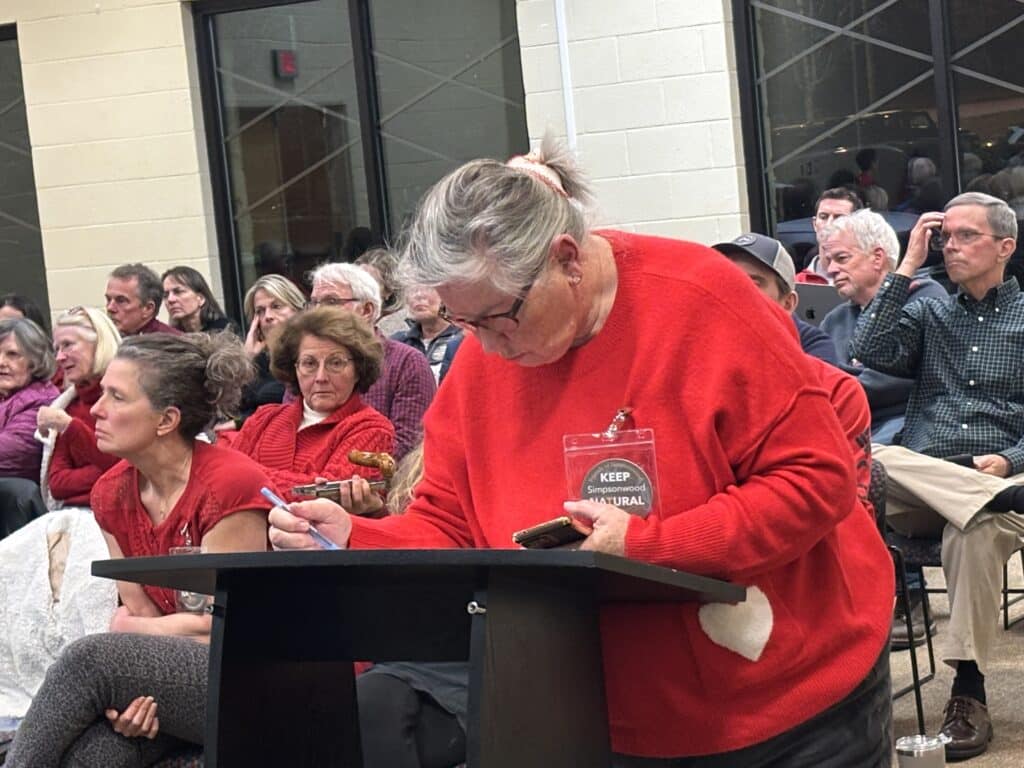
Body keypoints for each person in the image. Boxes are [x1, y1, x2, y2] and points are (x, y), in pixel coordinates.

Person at [270, 141, 893, 766]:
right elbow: (451, 523)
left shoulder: (704, 301)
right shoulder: (485, 358)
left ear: (566, 259)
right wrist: (353, 536)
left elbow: (816, 482)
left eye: (499, 318)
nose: (487, 348)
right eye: (465, 325)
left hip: (793, 702)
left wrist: (648, 547)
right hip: (610, 715)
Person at [7, 332, 273, 767]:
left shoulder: (229, 485)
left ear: (166, 420)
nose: (95, 409)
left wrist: (132, 661)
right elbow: (139, 615)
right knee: (95, 757)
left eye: (116, 396)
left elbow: (223, 628)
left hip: (252, 676)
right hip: (179, 672)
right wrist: (140, 675)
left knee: (91, 658)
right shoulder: (110, 492)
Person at [850, 191, 1024, 760]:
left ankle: (968, 693)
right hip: (928, 478)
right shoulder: (929, 311)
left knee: (970, 532)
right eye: (945, 236)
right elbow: (867, 348)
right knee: (874, 456)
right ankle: (992, 497)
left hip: (1000, 471)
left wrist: (1012, 462)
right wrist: (906, 264)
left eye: (966, 236)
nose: (951, 246)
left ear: (1006, 247)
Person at [229, 308, 394, 501]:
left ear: (358, 370)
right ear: (294, 368)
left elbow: (327, 497)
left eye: (336, 363)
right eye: (309, 363)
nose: (321, 377)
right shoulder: (264, 418)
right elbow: (221, 478)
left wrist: (245, 475)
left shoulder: (372, 429)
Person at [820, 210, 948, 444]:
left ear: (877, 257)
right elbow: (820, 381)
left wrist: (845, 387)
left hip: (907, 423)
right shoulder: (833, 320)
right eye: (829, 261)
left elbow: (902, 380)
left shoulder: (925, 297)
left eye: (841, 259)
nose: (831, 270)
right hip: (843, 425)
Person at [308, 262, 435, 461]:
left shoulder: (406, 363)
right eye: (313, 303)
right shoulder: (304, 363)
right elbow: (293, 434)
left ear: (366, 310)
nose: (317, 313)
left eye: (331, 302)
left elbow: (406, 449)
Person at [36, 307, 122, 509]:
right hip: (77, 515)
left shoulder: (127, 399)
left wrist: (70, 427)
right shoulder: (69, 406)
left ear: (99, 344)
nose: (59, 357)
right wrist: (101, 472)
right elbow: (56, 484)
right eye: (57, 348)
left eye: (68, 345)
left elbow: (128, 469)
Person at [712, 233, 838, 364]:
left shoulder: (813, 346)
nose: (739, 292)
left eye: (754, 284)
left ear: (788, 303)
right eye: (731, 281)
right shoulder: (709, 340)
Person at [0, 318, 60, 538]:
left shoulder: (42, 400)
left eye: (12, 354)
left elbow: (11, 453)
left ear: (34, 360)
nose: (1, 362)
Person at [233, 273, 307, 425]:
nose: (268, 316)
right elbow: (233, 404)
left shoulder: (308, 354)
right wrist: (246, 359)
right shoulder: (259, 357)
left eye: (276, 306)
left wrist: (240, 423)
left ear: (297, 310)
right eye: (260, 311)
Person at [391, 285, 463, 382]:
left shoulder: (461, 339)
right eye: (413, 290)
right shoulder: (398, 342)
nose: (419, 295)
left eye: (428, 288)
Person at [795, 187, 863, 283]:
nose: (829, 224)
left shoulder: (868, 282)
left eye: (839, 218)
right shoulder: (796, 284)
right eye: (823, 217)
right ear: (814, 224)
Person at [104, 263, 179, 336]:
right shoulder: (104, 339)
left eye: (121, 301)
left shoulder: (173, 344)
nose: (110, 308)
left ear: (148, 309)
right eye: (108, 300)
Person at [161, 266, 233, 333]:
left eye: (178, 292)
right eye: (165, 295)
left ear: (201, 299)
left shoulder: (225, 330)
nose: (170, 299)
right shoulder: (170, 335)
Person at [357, 247, 408, 337]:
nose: (361, 287)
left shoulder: (395, 326)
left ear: (388, 291)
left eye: (370, 283)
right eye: (357, 280)